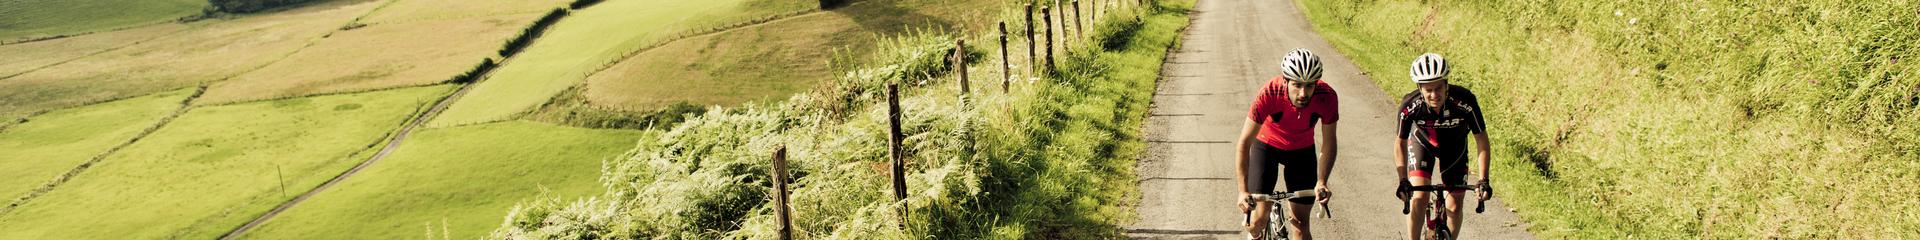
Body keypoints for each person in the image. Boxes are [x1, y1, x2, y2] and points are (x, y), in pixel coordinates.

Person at [1236, 48, 1339, 240]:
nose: (1303, 93)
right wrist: (1243, 191)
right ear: (1285, 81)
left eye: (1309, 86)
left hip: (1302, 150)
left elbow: (1329, 142)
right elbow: (1244, 142)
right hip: (1266, 146)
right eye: (1297, 85)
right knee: (1257, 221)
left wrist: (1322, 181)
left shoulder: (1327, 96)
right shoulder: (1269, 92)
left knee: (1301, 226)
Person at [1393, 53, 1494, 239]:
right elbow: (1400, 142)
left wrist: (1483, 180)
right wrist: (1403, 181)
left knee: (1454, 207)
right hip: (1422, 143)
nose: (1434, 95)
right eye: (1428, 90)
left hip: (1454, 148)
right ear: (1420, 88)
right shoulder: (1410, 105)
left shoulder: (1465, 101)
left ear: (1446, 84)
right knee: (1419, 198)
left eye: (1438, 87)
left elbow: (1482, 140)